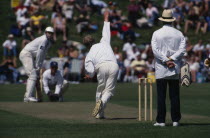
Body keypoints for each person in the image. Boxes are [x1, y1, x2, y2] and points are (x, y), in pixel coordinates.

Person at [151, 9, 186, 127]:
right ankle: (176, 120)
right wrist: (172, 59)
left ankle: (161, 121)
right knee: (174, 96)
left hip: (161, 68)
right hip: (174, 67)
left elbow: (155, 51)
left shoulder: (157, 33)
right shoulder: (179, 33)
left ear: (162, 20)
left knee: (161, 96)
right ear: (171, 21)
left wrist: (166, 60)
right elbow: (182, 50)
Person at [83, 11, 119, 119]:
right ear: (94, 40)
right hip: (114, 65)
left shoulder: (89, 54)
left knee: (100, 90)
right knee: (109, 91)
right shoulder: (104, 42)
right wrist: (106, 18)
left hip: (101, 67)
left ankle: (99, 110)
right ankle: (101, 112)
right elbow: (106, 30)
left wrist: (90, 75)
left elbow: (90, 70)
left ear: (86, 46)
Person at [19, 27, 54, 102]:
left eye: (51, 33)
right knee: (33, 75)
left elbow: (43, 55)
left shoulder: (48, 42)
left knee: (33, 75)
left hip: (29, 56)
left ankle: (28, 96)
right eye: (48, 32)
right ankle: (28, 97)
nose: (50, 34)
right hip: (26, 54)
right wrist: (37, 66)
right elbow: (39, 54)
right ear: (45, 32)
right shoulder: (44, 39)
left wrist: (39, 67)